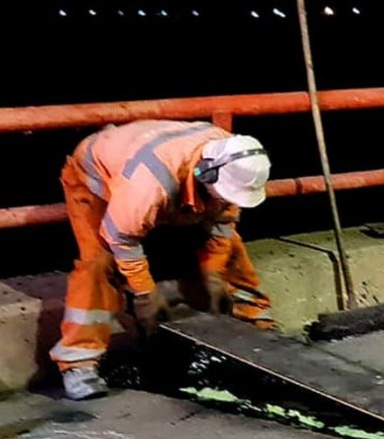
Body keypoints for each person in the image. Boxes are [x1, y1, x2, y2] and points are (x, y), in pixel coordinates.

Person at [50, 119, 276, 400]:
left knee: (232, 249)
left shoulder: (234, 161)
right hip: (96, 179)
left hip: (157, 171)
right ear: (205, 173)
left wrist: (213, 271)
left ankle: (260, 328)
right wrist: (145, 293)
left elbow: (223, 222)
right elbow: (120, 238)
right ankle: (78, 362)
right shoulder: (148, 184)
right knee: (99, 263)